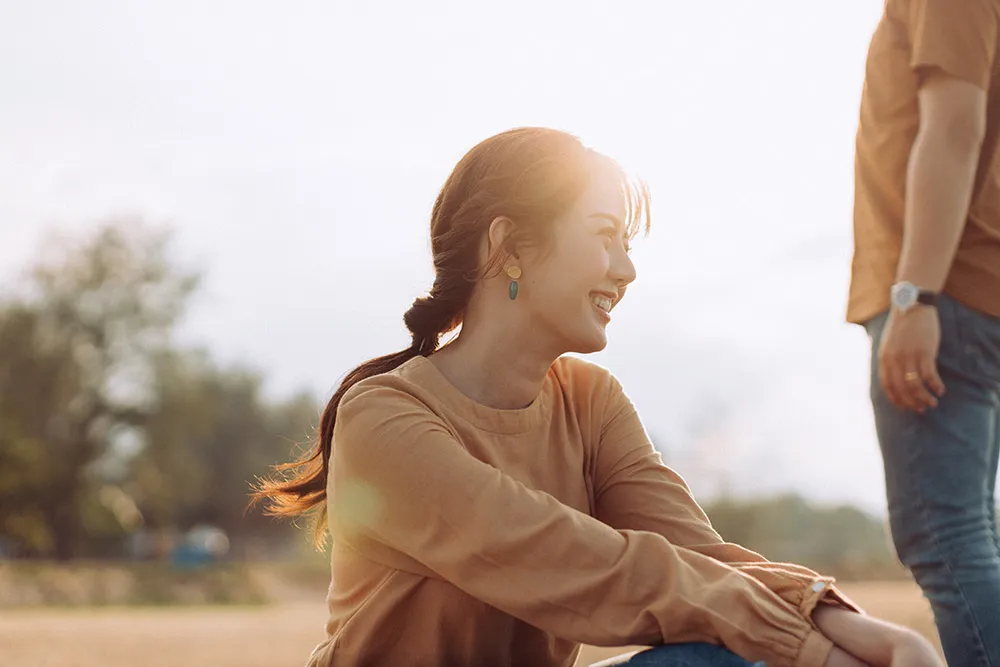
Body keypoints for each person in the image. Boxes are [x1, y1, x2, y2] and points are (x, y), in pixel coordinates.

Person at [255, 127, 941, 667]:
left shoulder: (590, 399)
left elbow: (701, 561)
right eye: (606, 237)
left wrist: (841, 621)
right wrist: (815, 653)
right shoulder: (384, 418)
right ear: (509, 247)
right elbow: (585, 565)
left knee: (730, 655)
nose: (628, 269)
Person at [847, 1, 1000, 665]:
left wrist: (915, 295)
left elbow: (954, 127)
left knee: (945, 535)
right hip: (961, 291)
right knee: (971, 534)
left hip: (942, 292)